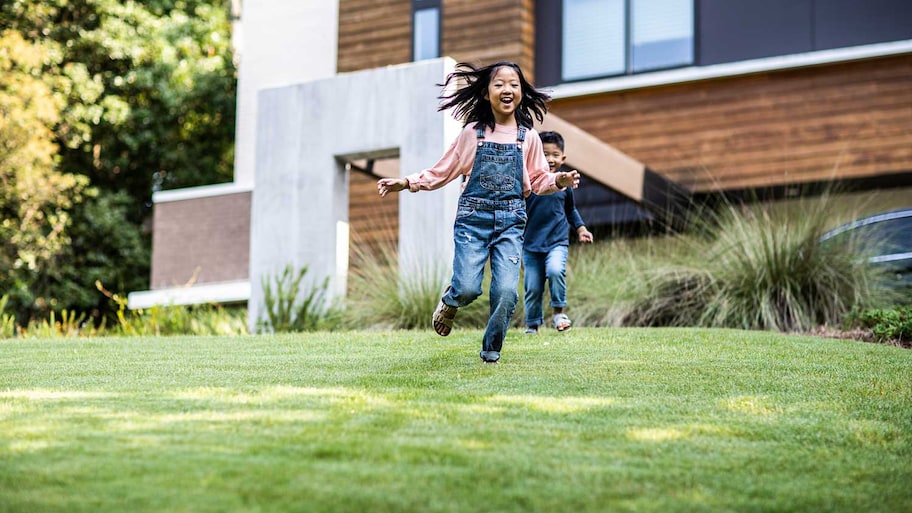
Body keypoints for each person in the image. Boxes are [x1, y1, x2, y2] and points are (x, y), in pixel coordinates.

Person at [377, 61, 580, 363]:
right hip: (473, 221)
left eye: (514, 84)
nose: (507, 89)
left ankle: (491, 351)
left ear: (522, 92)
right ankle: (451, 300)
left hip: (511, 222)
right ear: (486, 93)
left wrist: (559, 180)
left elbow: (538, 181)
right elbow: (443, 170)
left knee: (507, 292)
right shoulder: (473, 133)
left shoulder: (529, 138)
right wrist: (407, 182)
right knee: (469, 287)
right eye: (499, 84)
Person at [522, 131, 594, 335]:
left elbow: (571, 210)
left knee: (555, 271)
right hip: (530, 244)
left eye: (555, 154)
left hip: (557, 241)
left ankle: (558, 314)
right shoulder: (529, 184)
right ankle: (532, 325)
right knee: (533, 286)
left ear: (563, 158)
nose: (550, 159)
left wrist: (581, 229)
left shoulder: (565, 185)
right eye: (544, 154)